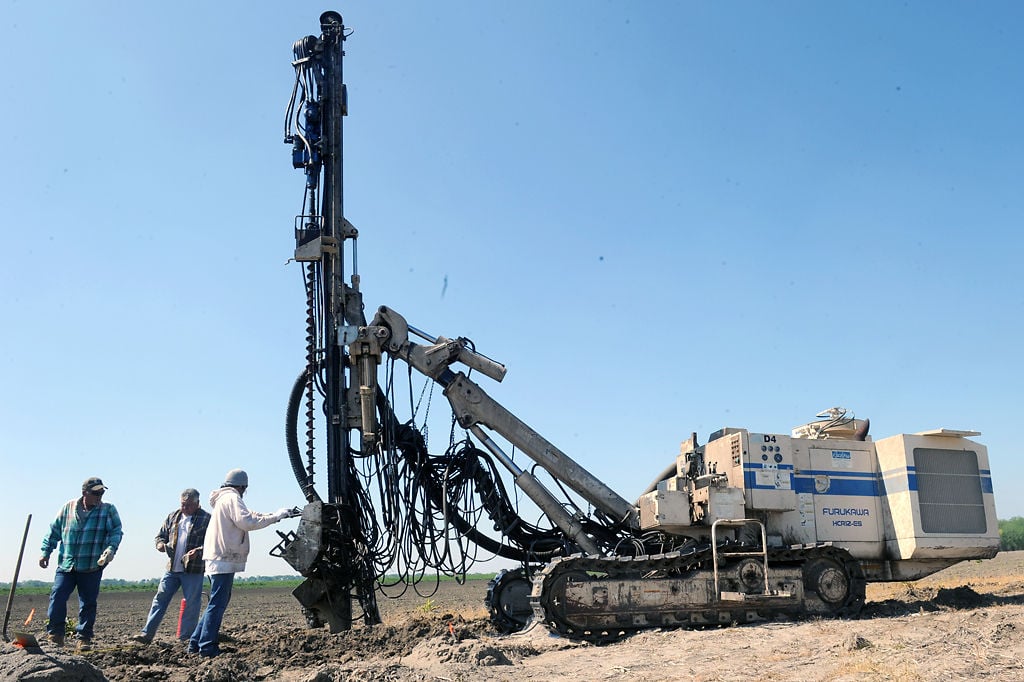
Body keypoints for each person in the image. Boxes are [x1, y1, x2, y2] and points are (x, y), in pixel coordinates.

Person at [188, 468, 298, 657]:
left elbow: (251, 515)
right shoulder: (232, 498)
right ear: (242, 486)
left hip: (217, 558)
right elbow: (247, 522)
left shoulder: (223, 499)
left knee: (216, 601)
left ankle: (195, 643)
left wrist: (277, 515)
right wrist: (277, 516)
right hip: (223, 558)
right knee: (218, 603)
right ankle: (207, 647)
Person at [39, 476, 124, 650]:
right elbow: (54, 531)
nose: (99, 495)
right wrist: (45, 552)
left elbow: (116, 532)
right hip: (67, 564)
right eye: (95, 492)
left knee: (88, 603)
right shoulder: (68, 508)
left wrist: (110, 549)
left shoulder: (108, 510)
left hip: (91, 565)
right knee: (58, 596)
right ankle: (55, 634)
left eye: (101, 492)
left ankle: (83, 638)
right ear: (85, 493)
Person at [131, 488, 212, 645]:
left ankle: (185, 638)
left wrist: (199, 551)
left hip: (193, 570)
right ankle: (147, 634)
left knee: (191, 603)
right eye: (183, 504)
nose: (184, 508)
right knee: (160, 599)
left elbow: (212, 542)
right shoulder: (173, 517)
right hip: (172, 569)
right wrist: (160, 544)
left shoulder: (206, 519)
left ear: (197, 504)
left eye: (188, 505)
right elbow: (160, 536)